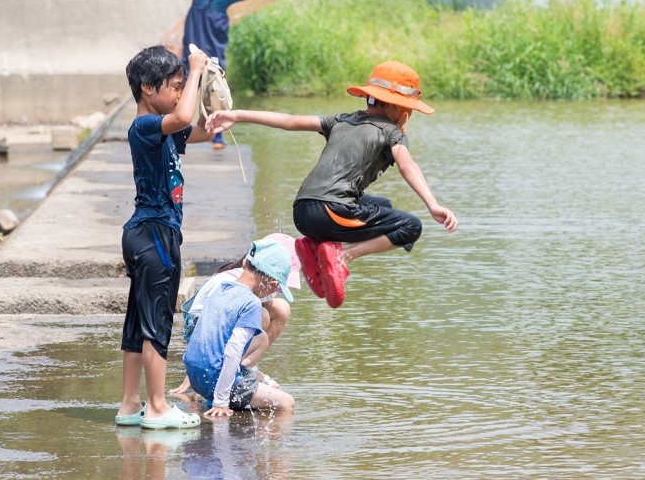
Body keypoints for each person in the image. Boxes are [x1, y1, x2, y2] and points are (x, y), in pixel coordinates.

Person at [205, 61, 459, 309]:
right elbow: (408, 165)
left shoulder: (341, 120)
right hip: (333, 212)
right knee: (410, 227)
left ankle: (314, 245)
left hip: (302, 212)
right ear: (397, 107)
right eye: (409, 109)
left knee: (382, 205)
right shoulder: (393, 132)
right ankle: (344, 255)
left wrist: (236, 115)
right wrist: (433, 204)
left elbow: (289, 121)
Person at [115, 44, 215, 430]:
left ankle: (130, 404)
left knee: (138, 322)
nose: (177, 93)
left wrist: (221, 115)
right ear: (146, 88)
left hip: (148, 232)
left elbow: (197, 129)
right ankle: (157, 407)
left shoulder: (163, 130)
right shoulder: (143, 126)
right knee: (157, 322)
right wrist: (195, 71)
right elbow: (183, 114)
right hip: (155, 233)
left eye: (179, 86)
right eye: (173, 86)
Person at [169, 232, 301, 395]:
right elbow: (209, 321)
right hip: (201, 327)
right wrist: (200, 363)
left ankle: (246, 366)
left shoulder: (259, 277)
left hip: (228, 326)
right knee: (261, 315)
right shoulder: (231, 280)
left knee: (281, 308)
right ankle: (229, 369)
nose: (277, 287)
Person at [182, 0, 271, 150]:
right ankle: (217, 137)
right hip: (212, 39)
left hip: (193, 34)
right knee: (214, 81)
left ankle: (176, 124)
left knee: (188, 77)